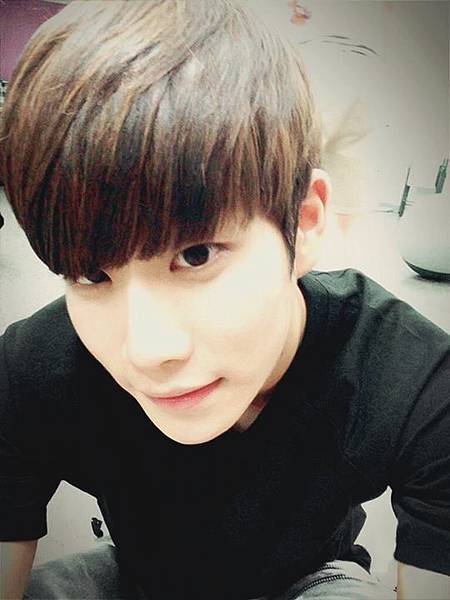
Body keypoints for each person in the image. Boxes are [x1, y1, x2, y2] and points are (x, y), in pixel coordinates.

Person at [0, 1, 449, 599]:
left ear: (305, 221)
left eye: (196, 255)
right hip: (133, 576)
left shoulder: (410, 379)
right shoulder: (32, 369)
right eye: (90, 273)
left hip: (311, 579)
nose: (149, 350)